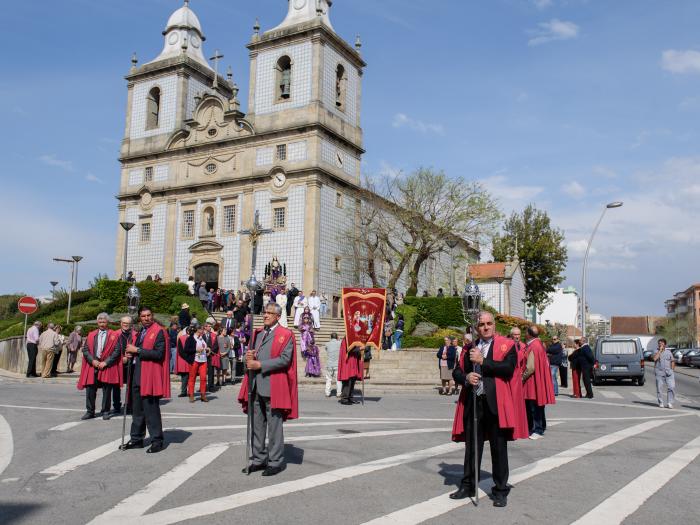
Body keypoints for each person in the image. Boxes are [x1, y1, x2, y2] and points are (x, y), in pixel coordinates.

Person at [450, 311, 527, 508]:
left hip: (495, 402)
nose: (485, 327)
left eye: (489, 323)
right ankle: (468, 484)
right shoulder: (469, 348)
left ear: (494, 325)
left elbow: (509, 369)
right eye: (482, 324)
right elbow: (457, 371)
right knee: (472, 447)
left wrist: (484, 362)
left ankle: (500, 490)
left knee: (498, 447)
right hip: (474, 401)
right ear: (476, 328)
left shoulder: (506, 345)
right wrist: (466, 377)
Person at [238, 303, 298, 476]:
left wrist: (260, 364)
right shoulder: (258, 333)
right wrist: (249, 357)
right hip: (255, 385)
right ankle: (258, 459)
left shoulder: (285, 334)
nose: (265, 315)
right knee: (257, 425)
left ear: (278, 316)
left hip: (274, 386)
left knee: (274, 427)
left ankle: (275, 461)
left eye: (269, 313)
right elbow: (252, 355)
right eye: (264, 312)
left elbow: (285, 360)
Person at [120, 307, 170, 454]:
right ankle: (136, 439)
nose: (146, 318)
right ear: (140, 318)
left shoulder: (159, 331)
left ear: (152, 316)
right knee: (137, 410)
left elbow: (159, 354)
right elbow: (135, 351)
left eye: (149, 315)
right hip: (137, 374)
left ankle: (157, 441)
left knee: (151, 410)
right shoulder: (141, 332)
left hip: (150, 375)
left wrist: (138, 351)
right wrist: (131, 354)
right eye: (143, 316)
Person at [77, 313, 122, 420]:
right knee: (90, 390)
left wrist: (106, 362)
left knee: (107, 390)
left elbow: (117, 351)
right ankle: (90, 411)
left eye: (104, 322)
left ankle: (106, 411)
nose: (102, 324)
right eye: (100, 322)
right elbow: (86, 349)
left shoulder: (114, 335)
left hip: (107, 365)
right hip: (93, 365)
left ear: (108, 322)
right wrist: (92, 361)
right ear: (97, 322)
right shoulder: (91, 334)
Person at [522, 326, 555, 439]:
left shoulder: (533, 346)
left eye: (526, 332)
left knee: (534, 407)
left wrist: (522, 378)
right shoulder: (538, 344)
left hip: (532, 381)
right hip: (538, 379)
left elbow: (530, 367)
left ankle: (538, 430)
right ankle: (541, 427)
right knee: (539, 405)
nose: (524, 333)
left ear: (529, 334)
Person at [185, 325, 208, 402]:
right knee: (192, 377)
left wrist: (207, 349)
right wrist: (196, 350)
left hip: (203, 360)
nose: (203, 331)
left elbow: (204, 347)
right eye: (202, 329)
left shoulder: (202, 338)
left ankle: (203, 394)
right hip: (194, 360)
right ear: (198, 330)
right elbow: (186, 349)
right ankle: (191, 395)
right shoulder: (190, 338)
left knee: (203, 378)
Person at [338, 337, 363, 405]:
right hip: (348, 363)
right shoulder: (346, 339)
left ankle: (350, 398)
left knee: (352, 381)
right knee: (347, 381)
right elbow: (349, 349)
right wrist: (360, 348)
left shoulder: (353, 339)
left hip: (353, 362)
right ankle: (344, 399)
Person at [653, 338, 675, 408]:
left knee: (671, 387)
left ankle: (670, 403)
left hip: (669, 373)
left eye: (662, 343)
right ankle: (661, 402)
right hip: (659, 372)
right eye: (659, 343)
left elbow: (672, 361)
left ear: (665, 345)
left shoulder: (669, 352)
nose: (660, 345)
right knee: (659, 388)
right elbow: (654, 359)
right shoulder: (655, 351)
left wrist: (672, 370)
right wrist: (660, 351)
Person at [300, 308, 321, 377]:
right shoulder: (302, 324)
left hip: (309, 336)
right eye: (305, 319)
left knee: (309, 345)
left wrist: (311, 331)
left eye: (307, 319)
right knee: (304, 345)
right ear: (303, 319)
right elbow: (300, 329)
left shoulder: (310, 325)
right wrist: (302, 329)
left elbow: (313, 331)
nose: (306, 320)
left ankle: (308, 353)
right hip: (304, 336)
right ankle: (304, 353)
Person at [175, 326, 193, 397]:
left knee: (184, 377)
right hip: (188, 359)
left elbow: (180, 350)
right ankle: (188, 391)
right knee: (189, 376)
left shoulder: (181, 338)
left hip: (183, 359)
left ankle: (184, 391)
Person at [324, 333, 342, 398]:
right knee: (338, 380)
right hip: (337, 364)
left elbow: (326, 349)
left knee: (328, 379)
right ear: (336, 337)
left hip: (329, 364)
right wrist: (339, 339)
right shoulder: (340, 343)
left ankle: (327, 393)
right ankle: (339, 393)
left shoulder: (327, 344)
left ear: (330, 337)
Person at [203, 322, 218, 391]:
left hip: (211, 355)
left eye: (210, 326)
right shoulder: (201, 335)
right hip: (202, 356)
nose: (210, 327)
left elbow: (216, 345)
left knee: (211, 371)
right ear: (205, 327)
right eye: (208, 326)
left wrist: (210, 351)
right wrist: (204, 352)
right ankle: (203, 387)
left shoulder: (214, 335)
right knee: (202, 372)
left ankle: (211, 386)